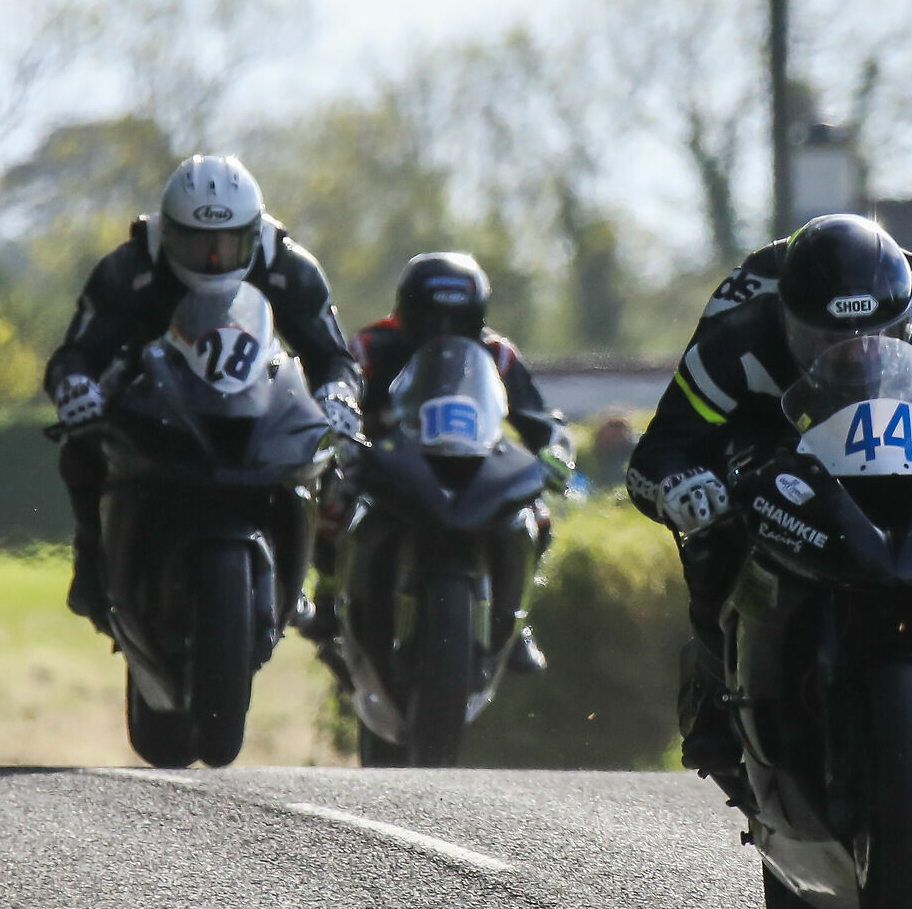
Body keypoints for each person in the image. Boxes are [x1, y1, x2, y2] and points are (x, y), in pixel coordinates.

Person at [627, 213, 912, 795]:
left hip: (909, 450)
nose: (854, 353)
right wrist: (680, 485)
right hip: (774, 452)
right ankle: (718, 695)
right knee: (712, 536)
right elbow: (660, 450)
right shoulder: (735, 342)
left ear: (906, 320)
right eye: (827, 339)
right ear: (789, 320)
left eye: (878, 337)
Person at [45, 155, 360, 627]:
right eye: (196, 242)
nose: (214, 257)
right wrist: (75, 387)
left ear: (254, 232)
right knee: (83, 443)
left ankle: (300, 572)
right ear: (168, 231)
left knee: (329, 447)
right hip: (157, 399)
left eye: (230, 242)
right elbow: (75, 353)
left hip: (261, 396)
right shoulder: (129, 266)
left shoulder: (289, 268)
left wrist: (339, 394)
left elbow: (334, 356)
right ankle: (92, 554)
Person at [319, 251, 574, 671]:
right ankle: (328, 594)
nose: (443, 330)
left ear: (478, 317)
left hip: (474, 460)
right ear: (405, 312)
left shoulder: (499, 354)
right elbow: (342, 394)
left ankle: (516, 620)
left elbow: (537, 416)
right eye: (430, 318)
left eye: (458, 320)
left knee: (536, 515)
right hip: (393, 457)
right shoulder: (370, 346)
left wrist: (556, 448)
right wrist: (345, 432)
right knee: (334, 487)